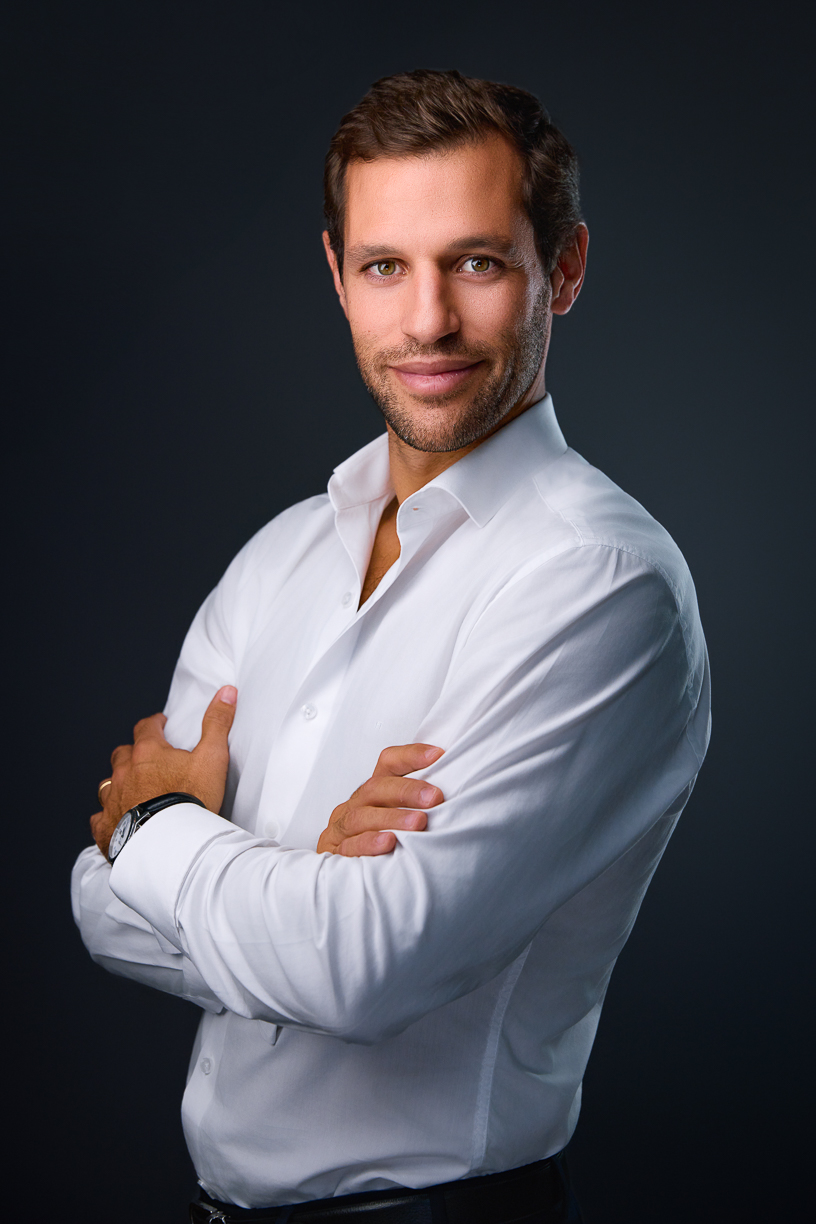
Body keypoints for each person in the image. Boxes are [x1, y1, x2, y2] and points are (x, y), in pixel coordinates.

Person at [72, 69, 710, 1224]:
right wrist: (304, 879)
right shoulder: (280, 557)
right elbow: (98, 905)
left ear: (563, 269)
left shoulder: (600, 583)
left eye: (476, 262)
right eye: (384, 268)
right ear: (337, 275)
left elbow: (361, 968)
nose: (426, 321)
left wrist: (169, 830)